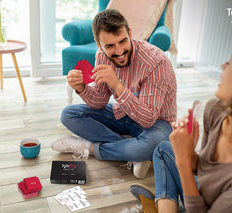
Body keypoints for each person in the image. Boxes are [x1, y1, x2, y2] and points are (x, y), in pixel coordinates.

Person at [130, 34, 232, 212]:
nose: (222, 66)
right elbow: (204, 172)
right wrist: (188, 152)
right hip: (205, 199)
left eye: (230, 63)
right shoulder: (216, 111)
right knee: (163, 149)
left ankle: (164, 206)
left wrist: (182, 161)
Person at [51, 9, 177, 178]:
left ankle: (90, 148)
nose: (119, 51)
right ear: (98, 44)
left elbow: (148, 119)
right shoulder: (101, 56)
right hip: (123, 114)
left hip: (157, 122)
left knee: (156, 144)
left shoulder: (156, 62)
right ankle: (131, 152)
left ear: (130, 33)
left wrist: (117, 85)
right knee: (69, 114)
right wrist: (81, 88)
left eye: (123, 41)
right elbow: (99, 102)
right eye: (109, 46)